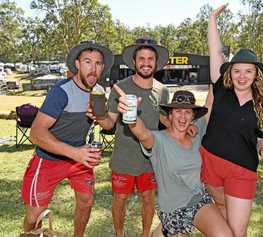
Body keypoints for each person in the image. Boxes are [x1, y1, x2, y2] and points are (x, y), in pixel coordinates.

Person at [21, 40, 114, 237]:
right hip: (48, 159)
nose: (93, 69)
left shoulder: (98, 92)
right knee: (33, 216)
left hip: (80, 158)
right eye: (88, 62)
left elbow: (106, 124)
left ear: (103, 67)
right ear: (78, 64)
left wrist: (102, 116)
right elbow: (36, 133)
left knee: (86, 201)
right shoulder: (61, 92)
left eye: (98, 64)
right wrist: (75, 153)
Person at [114, 85, 233, 237]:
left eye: (187, 112)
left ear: (193, 117)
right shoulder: (159, 140)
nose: (182, 117)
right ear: (170, 115)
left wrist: (215, 79)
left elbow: (210, 103)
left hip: (197, 200)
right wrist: (131, 113)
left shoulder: (197, 132)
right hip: (173, 209)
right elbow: (141, 132)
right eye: (178, 111)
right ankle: (162, 231)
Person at [200, 4, 263, 237]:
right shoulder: (221, 88)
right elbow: (215, 50)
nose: (242, 76)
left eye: (248, 71)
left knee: (237, 231)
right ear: (229, 73)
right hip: (210, 162)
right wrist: (212, 18)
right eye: (237, 71)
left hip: (242, 170)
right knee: (221, 216)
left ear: (255, 75)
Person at [95, 38, 170, 237]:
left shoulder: (163, 91)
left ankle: (145, 234)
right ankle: (119, 234)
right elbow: (109, 124)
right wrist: (99, 115)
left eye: (150, 59)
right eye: (142, 59)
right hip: (123, 159)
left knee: (148, 198)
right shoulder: (121, 88)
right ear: (134, 62)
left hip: (150, 160)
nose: (146, 63)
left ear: (156, 62)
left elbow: (165, 121)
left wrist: (186, 127)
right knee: (120, 199)